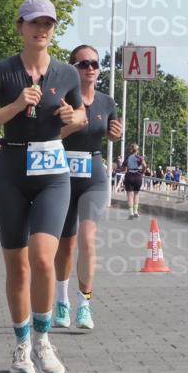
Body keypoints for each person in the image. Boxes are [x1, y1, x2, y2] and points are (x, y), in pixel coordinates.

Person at [0, 0, 84, 373]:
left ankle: (43, 341)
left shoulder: (66, 74)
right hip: (12, 170)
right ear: (20, 27)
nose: (42, 30)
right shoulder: (3, 71)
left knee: (43, 257)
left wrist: (74, 116)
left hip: (52, 172)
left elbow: (80, 112)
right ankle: (20, 348)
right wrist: (16, 106)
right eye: (34, 23)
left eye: (48, 24)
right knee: (16, 265)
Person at [52, 45, 122, 331]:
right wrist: (72, 122)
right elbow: (51, 135)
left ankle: (84, 304)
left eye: (94, 64)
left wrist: (115, 134)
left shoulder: (107, 102)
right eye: (83, 64)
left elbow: (111, 131)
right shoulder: (61, 100)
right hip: (64, 174)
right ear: (73, 68)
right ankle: (61, 301)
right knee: (66, 243)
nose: (90, 69)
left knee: (88, 239)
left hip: (93, 174)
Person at [121, 143, 148, 218]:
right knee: (136, 194)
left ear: (131, 150)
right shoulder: (140, 158)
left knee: (130, 195)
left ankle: (131, 213)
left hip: (129, 175)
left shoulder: (127, 157)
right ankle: (136, 211)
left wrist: (124, 169)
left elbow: (122, 168)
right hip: (137, 176)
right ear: (137, 150)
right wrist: (142, 172)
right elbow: (145, 166)